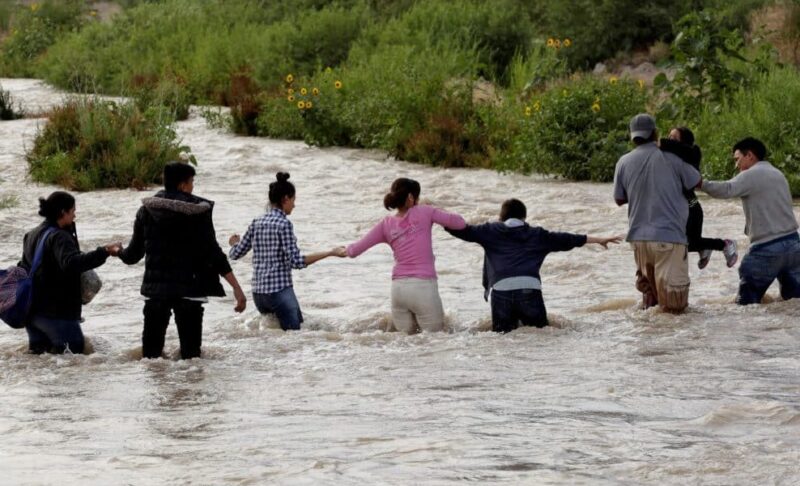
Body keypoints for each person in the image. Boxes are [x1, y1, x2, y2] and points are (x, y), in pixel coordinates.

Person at [118, 162, 246, 359]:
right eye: (191, 182)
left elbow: (133, 255)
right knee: (192, 358)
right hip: (190, 292)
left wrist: (117, 251)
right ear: (182, 185)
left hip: (156, 293)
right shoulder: (198, 212)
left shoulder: (146, 211)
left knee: (150, 358)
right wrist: (236, 288)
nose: (193, 187)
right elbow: (213, 253)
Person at [446, 198, 621, 333]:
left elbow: (463, 231)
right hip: (530, 289)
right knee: (540, 334)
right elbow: (568, 239)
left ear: (501, 217)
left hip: (501, 290)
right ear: (524, 217)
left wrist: (438, 218)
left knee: (502, 339)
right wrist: (599, 239)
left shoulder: (490, 231)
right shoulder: (537, 234)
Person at [340, 178, 466, 333]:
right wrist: (436, 208)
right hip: (423, 288)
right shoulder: (425, 211)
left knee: (404, 344)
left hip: (398, 290)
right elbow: (460, 223)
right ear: (411, 197)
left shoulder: (385, 224)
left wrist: (338, 251)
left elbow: (354, 251)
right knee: (436, 341)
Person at [228, 172, 343, 331]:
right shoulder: (284, 224)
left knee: (276, 338)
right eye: (294, 200)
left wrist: (234, 243)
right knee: (295, 337)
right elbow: (297, 262)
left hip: (259, 295)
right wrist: (330, 252)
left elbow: (235, 254)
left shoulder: (257, 222)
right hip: (279, 292)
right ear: (286, 199)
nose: (294, 205)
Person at [613, 113, 702, 312]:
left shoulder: (623, 162)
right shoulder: (673, 158)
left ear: (632, 136)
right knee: (674, 310)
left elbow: (619, 199)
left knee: (650, 304)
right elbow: (696, 181)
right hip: (669, 238)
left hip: (638, 241)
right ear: (655, 133)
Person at [699, 137, 800, 304]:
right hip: (794, 246)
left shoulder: (751, 174)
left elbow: (727, 189)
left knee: (745, 305)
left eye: (737, 159)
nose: (736, 165)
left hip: (766, 249)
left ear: (750, 156)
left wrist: (700, 184)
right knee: (793, 302)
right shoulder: (778, 174)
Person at [20, 191, 120, 354]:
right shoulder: (60, 237)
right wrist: (105, 251)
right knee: (73, 358)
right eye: (73, 211)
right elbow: (72, 263)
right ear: (63, 212)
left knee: (40, 361)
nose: (74, 215)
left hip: (33, 314)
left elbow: (23, 268)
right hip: (57, 314)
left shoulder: (31, 234)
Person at [660, 126, 737, 269]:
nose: (669, 140)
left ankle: (724, 244)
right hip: (686, 207)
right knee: (680, 243)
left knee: (684, 243)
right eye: (669, 137)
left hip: (691, 208)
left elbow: (681, 149)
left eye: (674, 138)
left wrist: (659, 143)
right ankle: (705, 247)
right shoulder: (670, 157)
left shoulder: (691, 153)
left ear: (684, 142)